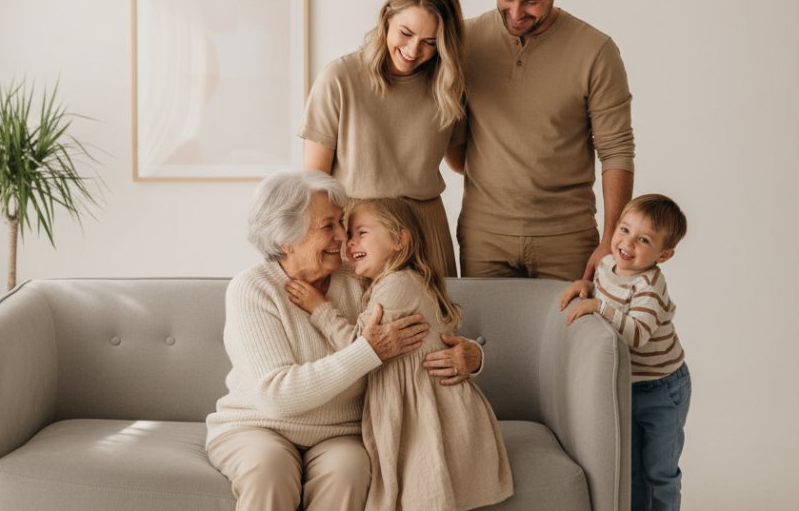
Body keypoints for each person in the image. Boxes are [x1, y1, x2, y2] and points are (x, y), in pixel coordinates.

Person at [206, 171, 482, 511]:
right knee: (269, 469)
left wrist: (473, 355)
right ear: (285, 239)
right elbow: (277, 397)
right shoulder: (253, 289)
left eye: (343, 224)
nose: (343, 237)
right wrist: (369, 351)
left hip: (340, 431)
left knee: (349, 471)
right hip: (258, 427)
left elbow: (421, 320)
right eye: (328, 226)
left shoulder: (361, 276)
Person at [286, 198, 512, 511]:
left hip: (425, 412)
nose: (349, 244)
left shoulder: (397, 285)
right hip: (419, 406)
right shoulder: (395, 281)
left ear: (398, 240)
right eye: (348, 235)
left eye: (361, 232)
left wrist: (319, 308)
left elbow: (359, 348)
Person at [447, 0, 635, 282]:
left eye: (531, 2)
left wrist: (610, 238)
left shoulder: (596, 51)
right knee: (481, 340)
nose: (515, 13)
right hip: (484, 236)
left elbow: (617, 151)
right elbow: (453, 142)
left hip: (568, 239)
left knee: (572, 337)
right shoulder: (465, 40)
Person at [300, 0, 466, 277]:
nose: (414, 50)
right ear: (386, 18)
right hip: (357, 231)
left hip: (424, 230)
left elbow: (460, 162)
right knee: (354, 324)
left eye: (430, 42)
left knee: (433, 323)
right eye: (406, 33)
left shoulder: (448, 85)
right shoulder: (340, 78)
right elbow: (315, 179)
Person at [559, 194, 691, 511]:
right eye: (624, 229)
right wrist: (585, 286)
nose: (627, 243)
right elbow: (604, 288)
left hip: (663, 389)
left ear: (664, 254)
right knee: (629, 469)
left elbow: (636, 335)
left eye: (643, 239)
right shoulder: (607, 265)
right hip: (625, 386)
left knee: (660, 472)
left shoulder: (649, 286)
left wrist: (598, 307)